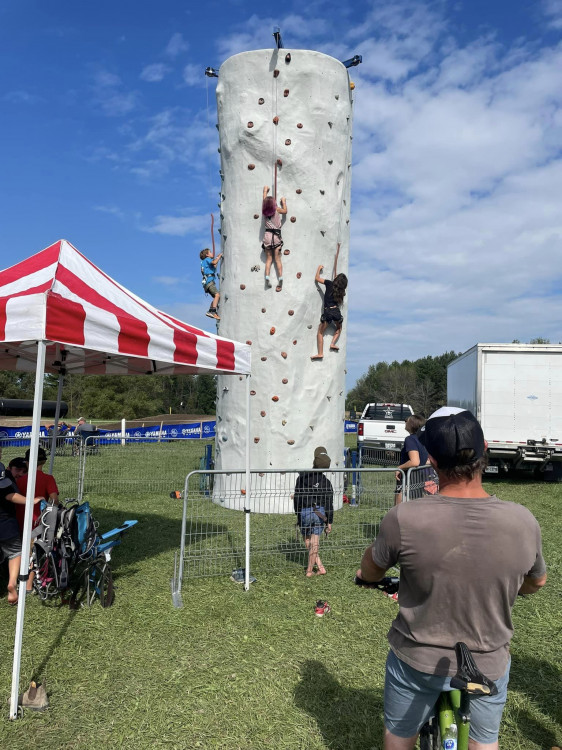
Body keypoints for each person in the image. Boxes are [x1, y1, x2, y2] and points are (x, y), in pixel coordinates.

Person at [357, 407, 547, 750]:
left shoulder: (404, 517)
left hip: (418, 659)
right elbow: (537, 582)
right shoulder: (523, 521)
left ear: (431, 460)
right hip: (487, 660)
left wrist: (365, 573)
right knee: (485, 743)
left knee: (398, 739)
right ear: (485, 449)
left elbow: (371, 570)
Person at [0, 462, 43, 605]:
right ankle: (12, 582)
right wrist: (31, 500)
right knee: (15, 553)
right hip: (6, 524)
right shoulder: (4, 477)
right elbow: (9, 495)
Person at [293, 446, 334, 577]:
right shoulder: (326, 483)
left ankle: (315, 569)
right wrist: (330, 521)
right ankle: (312, 570)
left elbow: (297, 498)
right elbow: (329, 504)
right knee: (315, 543)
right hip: (319, 513)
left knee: (307, 540)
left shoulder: (302, 478)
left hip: (304, 512)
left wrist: (298, 514)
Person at [310, 259, 348, 361]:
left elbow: (317, 279)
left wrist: (318, 269)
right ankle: (332, 343)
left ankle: (320, 353)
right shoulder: (341, 291)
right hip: (336, 312)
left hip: (328, 311)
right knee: (339, 329)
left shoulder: (329, 283)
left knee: (320, 332)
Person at [394, 415, 428, 504]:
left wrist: (399, 468)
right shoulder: (424, 439)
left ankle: (397, 517)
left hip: (409, 476)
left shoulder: (410, 439)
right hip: (420, 475)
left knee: (400, 505)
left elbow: (415, 461)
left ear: (412, 424)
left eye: (407, 420)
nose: (405, 422)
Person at [261, 185, 287, 292]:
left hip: (267, 236)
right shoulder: (276, 209)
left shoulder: (264, 210)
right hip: (276, 237)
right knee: (277, 259)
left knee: (269, 259)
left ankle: (267, 277)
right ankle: (280, 278)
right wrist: (284, 202)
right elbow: (285, 211)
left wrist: (265, 191)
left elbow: (264, 201)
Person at [199, 248, 223, 320]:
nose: (212, 253)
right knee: (217, 295)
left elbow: (214, 265)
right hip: (209, 282)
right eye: (210, 252)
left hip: (207, 283)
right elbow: (214, 263)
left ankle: (211, 310)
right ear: (207, 255)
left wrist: (216, 258)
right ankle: (212, 311)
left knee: (217, 297)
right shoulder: (207, 259)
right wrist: (218, 257)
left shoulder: (204, 262)